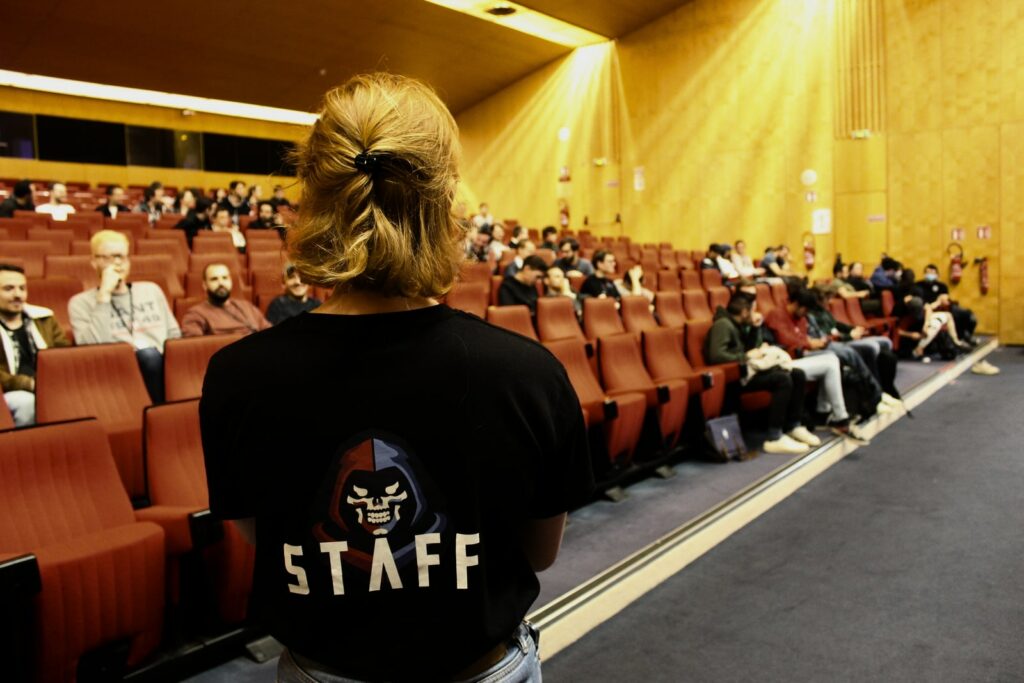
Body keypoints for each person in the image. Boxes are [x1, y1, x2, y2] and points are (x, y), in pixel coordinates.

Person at [200, 73, 588, 683]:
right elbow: (538, 551)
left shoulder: (236, 376)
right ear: (445, 202)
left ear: (317, 196)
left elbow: (262, 536)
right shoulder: (528, 373)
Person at [68, 230, 181, 402]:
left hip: (163, 369)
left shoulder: (151, 290)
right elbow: (91, 349)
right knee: (148, 356)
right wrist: (104, 295)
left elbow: (174, 335)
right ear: (94, 262)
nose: (118, 263)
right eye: (109, 258)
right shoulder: (80, 303)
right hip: (115, 374)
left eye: (122, 257)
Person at [705, 294, 819, 454]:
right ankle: (774, 436)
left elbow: (750, 347)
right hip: (736, 378)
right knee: (782, 379)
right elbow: (716, 355)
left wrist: (755, 328)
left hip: (749, 371)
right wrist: (745, 356)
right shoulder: (723, 324)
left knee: (797, 374)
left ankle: (793, 425)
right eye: (752, 310)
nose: (755, 313)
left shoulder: (737, 325)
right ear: (745, 311)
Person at [763, 289, 857, 435]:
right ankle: (838, 416)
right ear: (796, 304)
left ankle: (825, 412)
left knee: (833, 359)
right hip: (783, 362)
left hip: (799, 357)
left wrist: (810, 343)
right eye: (804, 309)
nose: (805, 314)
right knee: (830, 362)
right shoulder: (777, 314)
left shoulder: (800, 317)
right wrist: (809, 343)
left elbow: (802, 337)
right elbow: (787, 340)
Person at [0, 264, 70, 426]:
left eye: (22, 288)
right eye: (8, 289)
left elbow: (64, 353)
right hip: (11, 391)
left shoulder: (44, 318)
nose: (18, 295)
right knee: (26, 402)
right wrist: (29, 384)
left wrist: (51, 382)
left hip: (48, 385)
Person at [181, 264, 270, 337]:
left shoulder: (247, 306)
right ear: (205, 285)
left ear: (231, 281)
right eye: (214, 279)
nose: (221, 283)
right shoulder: (195, 314)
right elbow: (197, 348)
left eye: (225, 278)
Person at [917, 264, 977, 344]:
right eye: (928, 272)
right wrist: (935, 303)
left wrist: (939, 302)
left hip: (945, 307)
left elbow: (944, 299)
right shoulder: (919, 285)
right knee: (948, 316)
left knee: (970, 316)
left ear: (937, 275)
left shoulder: (942, 286)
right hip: (928, 310)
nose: (930, 275)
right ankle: (957, 340)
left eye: (932, 273)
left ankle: (967, 336)